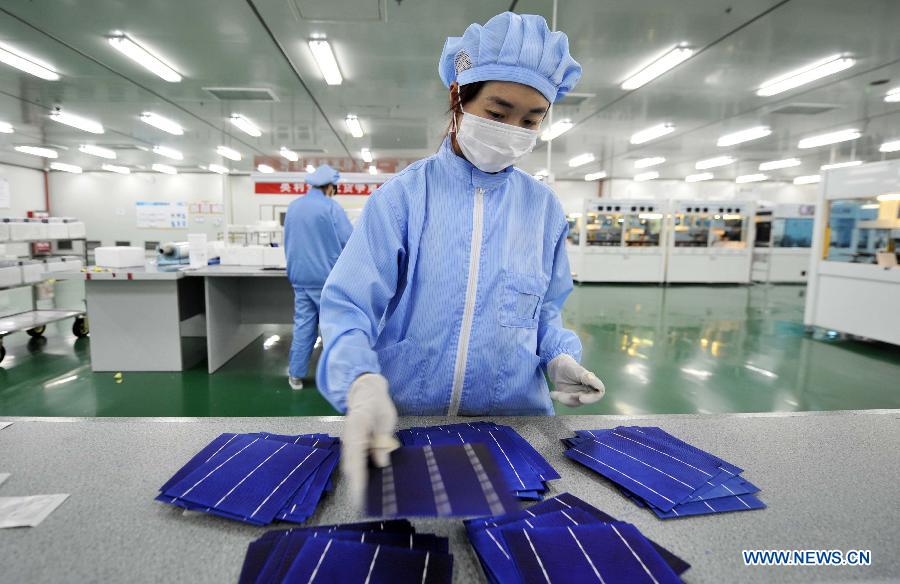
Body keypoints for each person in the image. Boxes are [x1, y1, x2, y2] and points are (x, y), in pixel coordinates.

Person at [316, 12, 606, 503]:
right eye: (497, 112)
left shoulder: (543, 210)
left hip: (513, 428)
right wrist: (360, 381)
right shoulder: (405, 197)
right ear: (460, 98)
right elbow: (349, 305)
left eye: (531, 119)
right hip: (408, 422)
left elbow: (545, 309)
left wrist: (559, 356)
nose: (514, 129)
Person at [283, 164, 352, 390]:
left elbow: (288, 242)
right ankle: (336, 379)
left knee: (303, 326)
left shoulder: (293, 207)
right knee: (332, 329)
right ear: (330, 186)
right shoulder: (331, 208)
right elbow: (350, 242)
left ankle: (295, 374)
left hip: (300, 279)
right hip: (326, 280)